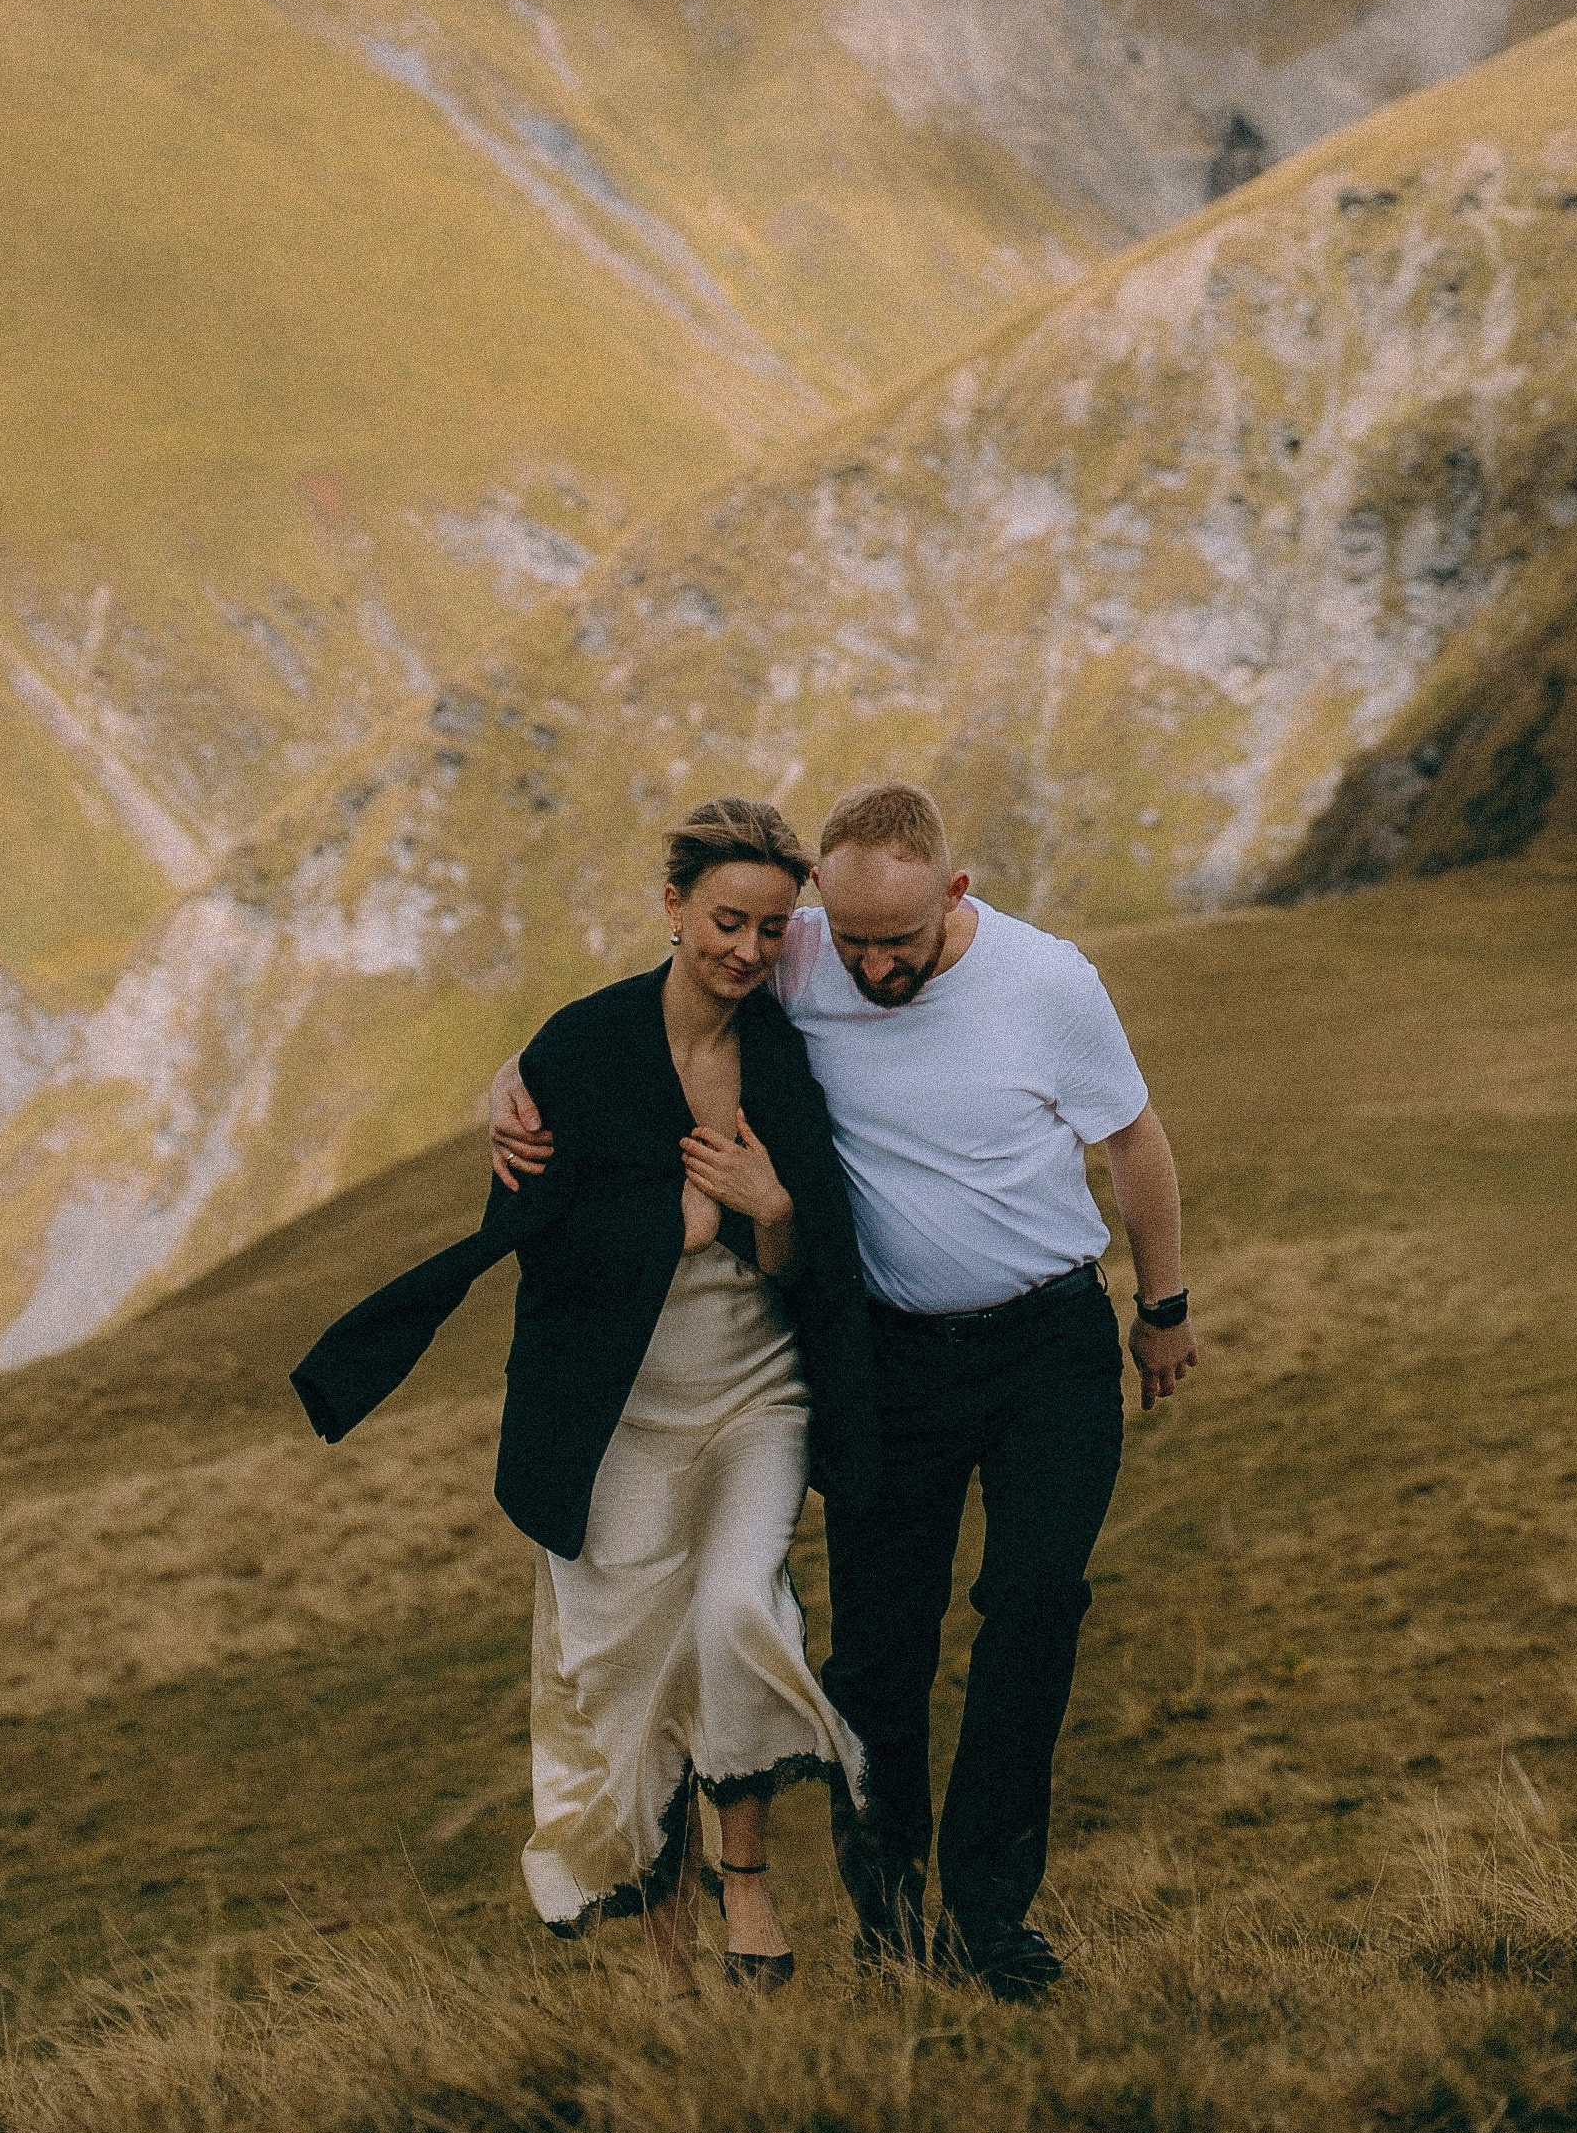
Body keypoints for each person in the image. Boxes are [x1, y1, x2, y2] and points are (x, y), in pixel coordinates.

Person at [491, 779, 1196, 2001]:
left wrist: (1163, 1311)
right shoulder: (799, 955)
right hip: (891, 1364)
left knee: (1033, 1603)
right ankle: (890, 1927)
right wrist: (510, 1083)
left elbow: (1131, 1140)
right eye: (855, 942)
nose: (874, 968)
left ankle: (990, 1920)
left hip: (1050, 1347)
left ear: (956, 894)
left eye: (902, 944)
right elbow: (662, 998)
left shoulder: (1048, 983)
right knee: (878, 1655)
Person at [291, 798, 881, 1998]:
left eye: (774, 930)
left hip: (756, 1392)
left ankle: (751, 1877)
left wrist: (770, 1212)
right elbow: (543, 1248)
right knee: (623, 1682)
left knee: (735, 1606)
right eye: (727, 922)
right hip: (613, 1413)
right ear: (672, 909)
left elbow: (815, 1249)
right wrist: (673, 1218)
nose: (749, 953)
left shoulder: (785, 1052)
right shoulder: (579, 1048)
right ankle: (667, 1961)